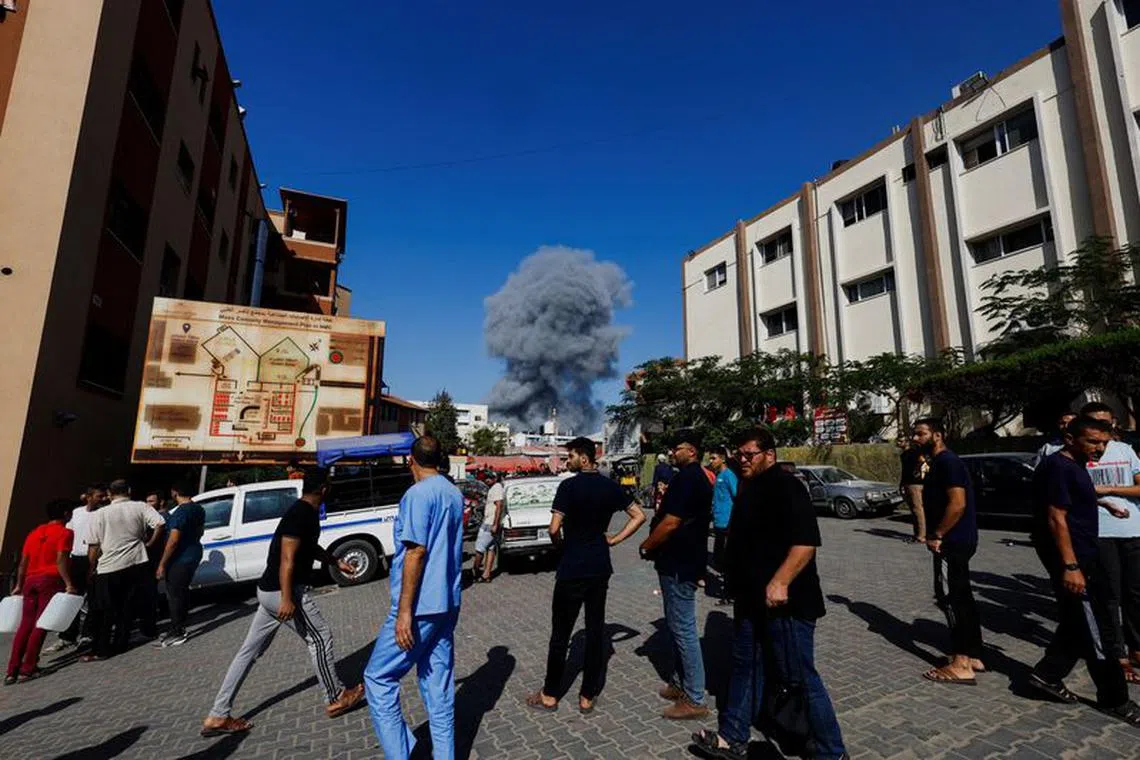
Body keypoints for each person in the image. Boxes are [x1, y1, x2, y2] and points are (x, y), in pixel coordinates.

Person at [691, 427, 846, 760]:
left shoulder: (787, 486)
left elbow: (806, 543)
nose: (742, 460)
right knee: (745, 666)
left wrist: (781, 581)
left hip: (787, 603)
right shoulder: (748, 487)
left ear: (770, 455)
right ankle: (733, 738)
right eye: (738, 454)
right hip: (750, 601)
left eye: (749, 454)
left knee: (801, 677)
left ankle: (832, 751)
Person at [202, 470, 364, 736]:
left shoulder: (307, 512)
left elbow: (308, 547)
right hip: (281, 591)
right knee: (320, 638)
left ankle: (218, 715)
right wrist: (287, 598)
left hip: (269, 592)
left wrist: (335, 561)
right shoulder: (299, 514)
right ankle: (336, 696)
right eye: (330, 486)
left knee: (248, 651)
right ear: (324, 489)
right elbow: (287, 559)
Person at [1027, 416, 1140, 725]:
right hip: (1074, 560)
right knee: (1098, 627)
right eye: (1093, 442)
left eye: (1104, 442)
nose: (1099, 448)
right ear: (1070, 439)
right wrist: (1071, 566)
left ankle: (1046, 675)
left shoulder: (1075, 465)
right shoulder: (1059, 467)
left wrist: (1104, 504)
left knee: (1077, 620)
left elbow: (1073, 500)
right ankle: (1115, 699)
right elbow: (1056, 518)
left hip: (1086, 555)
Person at [525, 436, 645, 713]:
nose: (568, 461)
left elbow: (553, 528)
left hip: (571, 567)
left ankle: (550, 694)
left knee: (560, 634)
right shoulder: (610, 487)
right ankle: (587, 696)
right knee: (595, 631)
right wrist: (614, 539)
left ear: (584, 457)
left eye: (570, 456)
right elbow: (639, 515)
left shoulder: (568, 487)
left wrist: (560, 547)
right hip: (599, 567)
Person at [364, 435, 465, 759]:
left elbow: (416, 552)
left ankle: (401, 751)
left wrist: (404, 611)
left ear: (412, 460)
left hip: (420, 606)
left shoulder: (417, 494)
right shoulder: (453, 492)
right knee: (439, 689)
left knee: (378, 678)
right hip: (446, 602)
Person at [639, 429, 714, 719]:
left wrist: (647, 545)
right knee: (675, 624)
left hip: (680, 562)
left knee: (683, 628)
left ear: (692, 451)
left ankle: (694, 698)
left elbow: (671, 522)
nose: (672, 452)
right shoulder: (691, 477)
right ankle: (680, 683)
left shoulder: (688, 478)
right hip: (679, 560)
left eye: (677, 448)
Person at [911, 418, 984, 684]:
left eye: (921, 434)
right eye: (914, 434)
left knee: (951, 599)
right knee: (962, 596)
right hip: (957, 540)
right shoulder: (938, 463)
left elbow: (958, 504)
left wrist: (937, 534)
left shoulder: (948, 462)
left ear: (938, 435)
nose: (916, 439)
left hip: (951, 541)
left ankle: (961, 662)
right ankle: (973, 654)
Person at [1080, 402, 1140, 683]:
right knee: (1109, 596)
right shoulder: (1080, 454)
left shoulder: (1125, 450)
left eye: (1107, 422)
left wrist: (1109, 489)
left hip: (1132, 529)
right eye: (1096, 422)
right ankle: (1118, 654)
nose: (1103, 428)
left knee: (1135, 592)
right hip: (1100, 532)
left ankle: (1136, 646)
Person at [83, 479, 165, 662]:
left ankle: (102, 648)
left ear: (109, 494)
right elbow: (160, 523)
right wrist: (149, 543)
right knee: (127, 606)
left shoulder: (100, 514)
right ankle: (121, 642)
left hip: (109, 565)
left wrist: (91, 567)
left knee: (105, 610)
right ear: (129, 490)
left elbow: (94, 545)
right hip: (136, 561)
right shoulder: (140, 507)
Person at [6, 499, 77, 684]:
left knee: (25, 625)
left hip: (30, 580)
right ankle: (28, 667)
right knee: (41, 624)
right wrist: (69, 583)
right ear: (66, 514)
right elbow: (61, 559)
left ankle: (12, 670)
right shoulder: (65, 533)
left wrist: (19, 584)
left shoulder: (34, 533)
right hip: (50, 580)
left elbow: (23, 563)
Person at [45, 484, 107, 653]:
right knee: (72, 598)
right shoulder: (77, 513)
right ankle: (67, 636)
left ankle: (88, 634)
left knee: (94, 598)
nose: (102, 499)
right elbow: (67, 534)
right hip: (76, 558)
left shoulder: (103, 513)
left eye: (103, 496)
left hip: (96, 558)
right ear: (88, 497)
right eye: (99, 496)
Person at [154, 479, 206, 647]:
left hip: (180, 557)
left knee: (175, 594)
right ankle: (177, 626)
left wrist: (162, 563)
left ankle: (178, 631)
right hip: (194, 552)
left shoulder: (180, 512)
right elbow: (201, 531)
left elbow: (173, 540)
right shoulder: (198, 509)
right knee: (181, 591)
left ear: (174, 493)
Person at [708, 446, 738, 605]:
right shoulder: (718, 476)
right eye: (710, 458)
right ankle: (728, 589)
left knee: (726, 559)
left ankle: (730, 593)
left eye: (714, 458)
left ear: (723, 459)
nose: (711, 461)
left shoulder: (728, 475)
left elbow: (737, 496)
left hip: (728, 523)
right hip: (719, 523)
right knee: (718, 559)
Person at [473, 473, 504, 584]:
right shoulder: (493, 488)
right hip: (490, 521)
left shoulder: (497, 487)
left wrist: (495, 524)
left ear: (495, 478)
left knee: (479, 548)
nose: (487, 480)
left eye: (489, 478)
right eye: (485, 478)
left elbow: (499, 506)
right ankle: (486, 575)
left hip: (490, 523)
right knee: (491, 548)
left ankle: (475, 571)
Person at [897, 438, 928, 543]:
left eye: (901, 441)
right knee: (913, 509)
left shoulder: (914, 452)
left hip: (915, 484)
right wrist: (902, 483)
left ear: (907, 442)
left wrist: (917, 472)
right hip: (907, 483)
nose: (898, 443)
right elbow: (904, 471)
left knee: (917, 509)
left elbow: (923, 461)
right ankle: (917, 534)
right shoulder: (904, 454)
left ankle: (921, 536)